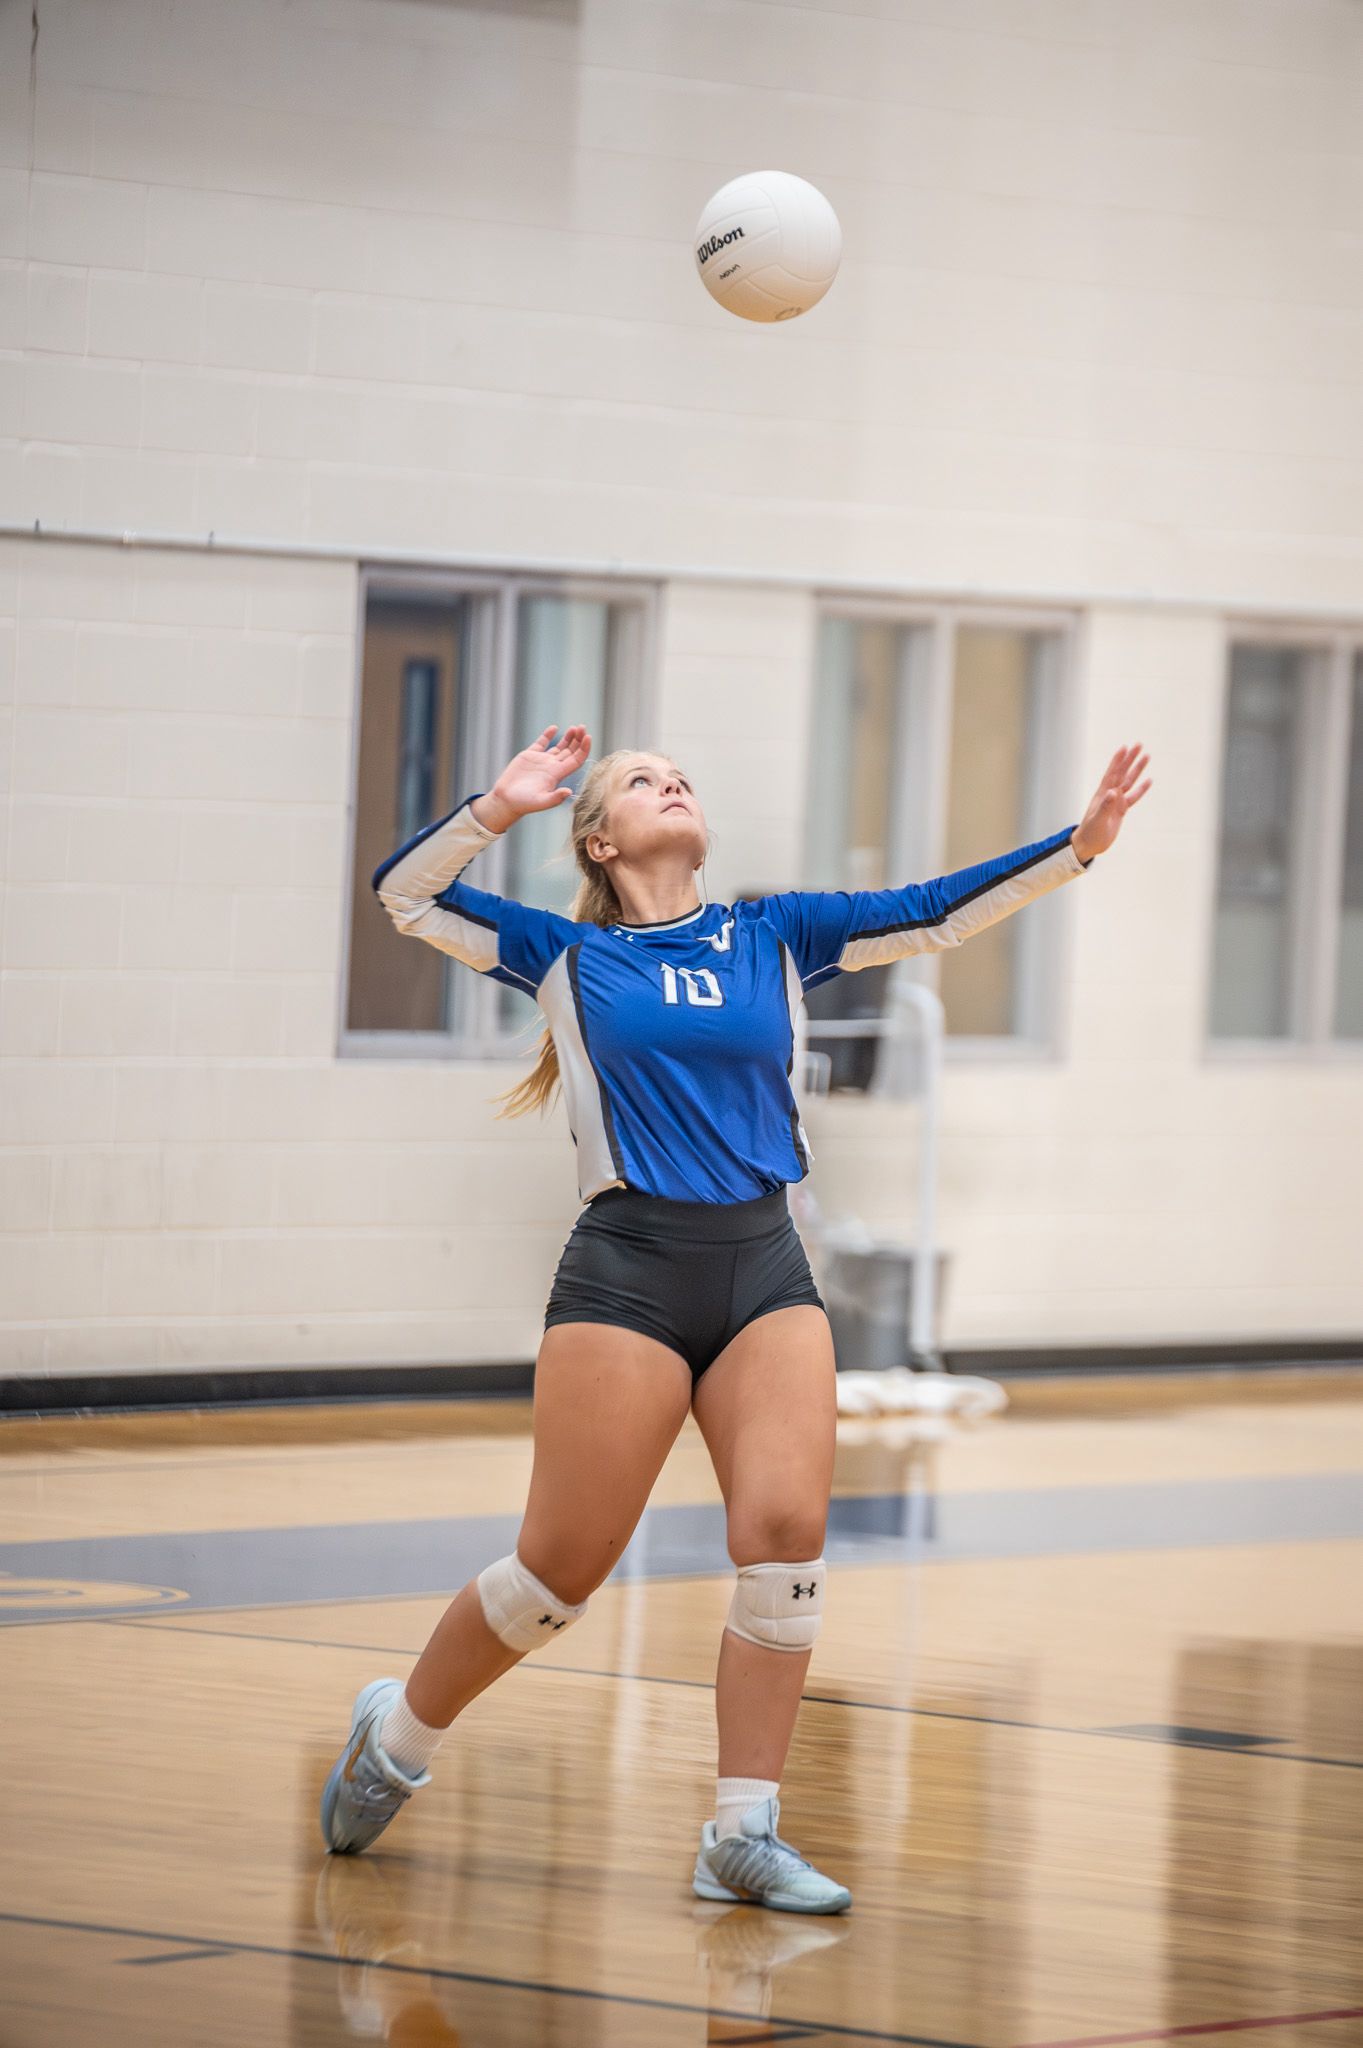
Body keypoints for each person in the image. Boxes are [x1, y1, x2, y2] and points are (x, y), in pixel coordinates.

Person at [321, 726, 1151, 1913]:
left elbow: (930, 912)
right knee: (558, 1575)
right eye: (641, 780)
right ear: (602, 840)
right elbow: (405, 895)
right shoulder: (559, 953)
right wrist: (496, 807)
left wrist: (1077, 847)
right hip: (628, 1270)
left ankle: (740, 1833)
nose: (673, 782)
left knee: (784, 1543)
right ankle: (395, 1734)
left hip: (763, 1263)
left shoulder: (772, 935)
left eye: (682, 775)